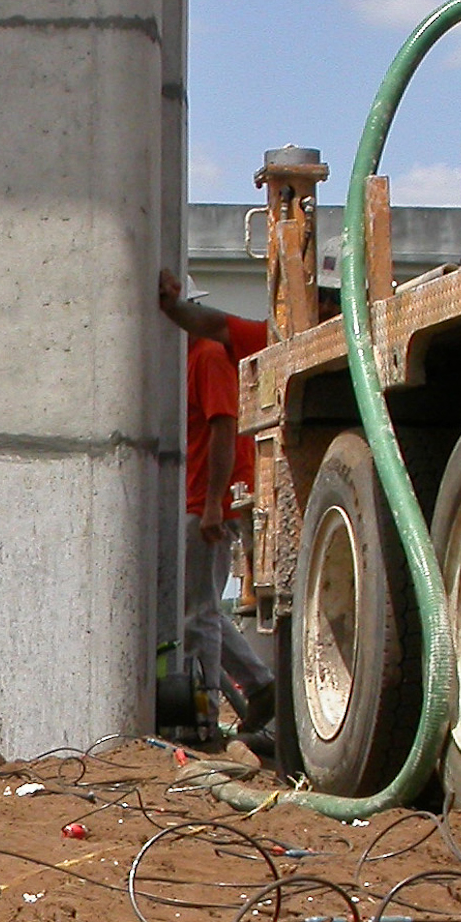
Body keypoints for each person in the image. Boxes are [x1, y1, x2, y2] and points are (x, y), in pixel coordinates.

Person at [157, 269, 275, 731]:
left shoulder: (207, 357)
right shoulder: (190, 360)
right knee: (197, 609)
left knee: (200, 613)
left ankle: (204, 713)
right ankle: (259, 687)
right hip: (200, 499)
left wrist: (212, 504)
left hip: (210, 502)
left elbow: (225, 429)